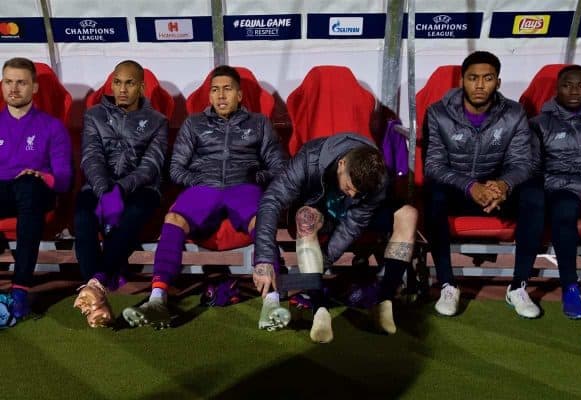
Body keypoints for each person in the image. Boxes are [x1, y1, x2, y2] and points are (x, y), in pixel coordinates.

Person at [121, 65, 286, 329]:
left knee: (262, 219)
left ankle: (271, 303)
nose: (221, 96)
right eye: (215, 90)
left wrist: (254, 177)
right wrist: (199, 181)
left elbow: (278, 167)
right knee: (174, 217)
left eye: (227, 90)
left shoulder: (259, 124)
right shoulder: (194, 124)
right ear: (208, 96)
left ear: (240, 95)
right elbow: (176, 169)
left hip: (243, 186)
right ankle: (157, 299)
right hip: (204, 187)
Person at [253, 133, 418, 343]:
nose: (352, 195)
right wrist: (264, 259)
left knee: (408, 215)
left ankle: (384, 301)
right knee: (305, 218)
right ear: (341, 164)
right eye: (349, 187)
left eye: (358, 192)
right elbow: (271, 201)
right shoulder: (309, 159)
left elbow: (353, 225)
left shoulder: (377, 177)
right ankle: (319, 309)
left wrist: (322, 262)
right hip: (320, 211)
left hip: (353, 217)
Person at [423, 50, 544, 318]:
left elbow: (523, 163)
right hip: (458, 190)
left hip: (497, 192)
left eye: (487, 78)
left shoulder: (514, 113)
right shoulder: (438, 113)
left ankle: (517, 287)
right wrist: (470, 186)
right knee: (433, 195)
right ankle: (447, 283)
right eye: (473, 78)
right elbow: (433, 165)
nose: (480, 85)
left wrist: (502, 186)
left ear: (497, 82)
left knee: (534, 196)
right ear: (462, 81)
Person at [73, 60, 168, 328]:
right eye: (117, 82)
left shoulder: (157, 121)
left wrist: (120, 190)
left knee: (134, 213)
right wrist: (105, 191)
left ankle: (95, 285)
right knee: (82, 215)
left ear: (141, 87)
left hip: (141, 188)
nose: (122, 89)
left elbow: (151, 166)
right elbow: (91, 157)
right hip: (98, 185)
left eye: (129, 83)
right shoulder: (93, 115)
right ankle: (97, 291)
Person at [0, 57, 72, 325]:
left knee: (28, 187)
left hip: (36, 192)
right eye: (8, 82)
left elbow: (64, 180)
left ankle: (20, 290)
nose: (14, 89)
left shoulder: (52, 127)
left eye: (21, 82)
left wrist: (41, 176)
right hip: (3, 192)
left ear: (35, 88)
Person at [533, 65, 581, 319]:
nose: (574, 91)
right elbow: (533, 169)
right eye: (567, 85)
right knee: (563, 212)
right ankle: (571, 288)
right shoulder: (540, 124)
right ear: (557, 88)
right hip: (563, 190)